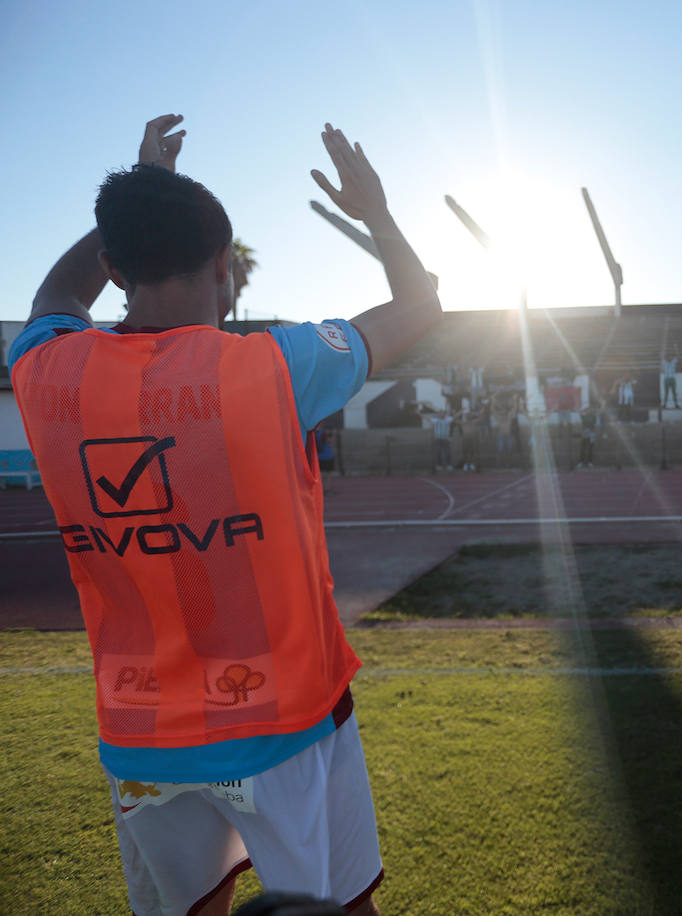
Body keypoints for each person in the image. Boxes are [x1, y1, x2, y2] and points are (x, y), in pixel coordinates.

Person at [8, 116, 441, 916]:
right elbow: (420, 304)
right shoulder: (273, 368)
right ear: (223, 264)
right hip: (285, 725)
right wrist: (374, 210)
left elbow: (53, 296)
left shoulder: (46, 375)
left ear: (113, 263)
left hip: (140, 735)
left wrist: (135, 202)